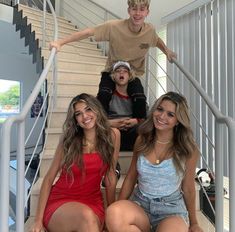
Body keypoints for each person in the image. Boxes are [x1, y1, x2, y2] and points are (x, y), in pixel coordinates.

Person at [49, 0, 176, 121]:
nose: (137, 13)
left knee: (140, 99)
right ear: (128, 10)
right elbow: (88, 32)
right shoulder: (114, 26)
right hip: (112, 71)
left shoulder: (150, 30)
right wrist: (61, 42)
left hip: (133, 74)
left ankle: (139, 131)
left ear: (147, 12)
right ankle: (102, 126)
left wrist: (167, 51)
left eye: (142, 9)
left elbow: (156, 40)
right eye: (134, 9)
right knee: (104, 95)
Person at [105, 92, 203, 232]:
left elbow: (188, 188)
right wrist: (122, 203)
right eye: (160, 109)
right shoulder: (142, 140)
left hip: (170, 209)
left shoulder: (188, 148)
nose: (162, 116)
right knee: (113, 213)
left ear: (178, 120)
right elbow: (131, 177)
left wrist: (194, 223)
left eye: (170, 114)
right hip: (140, 203)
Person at [29, 93, 120, 232]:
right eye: (78, 113)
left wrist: (111, 213)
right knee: (87, 218)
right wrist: (37, 220)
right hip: (62, 201)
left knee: (90, 222)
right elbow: (48, 179)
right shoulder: (69, 140)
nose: (85, 116)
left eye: (88, 109)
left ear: (97, 110)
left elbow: (110, 177)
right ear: (75, 119)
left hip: (93, 201)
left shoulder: (113, 135)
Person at [101, 60, 146, 151]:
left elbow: (146, 117)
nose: (121, 72)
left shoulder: (136, 96)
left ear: (129, 76)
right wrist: (111, 123)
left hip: (131, 128)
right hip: (112, 128)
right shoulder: (107, 95)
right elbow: (96, 118)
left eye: (125, 71)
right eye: (118, 71)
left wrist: (136, 121)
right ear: (113, 76)